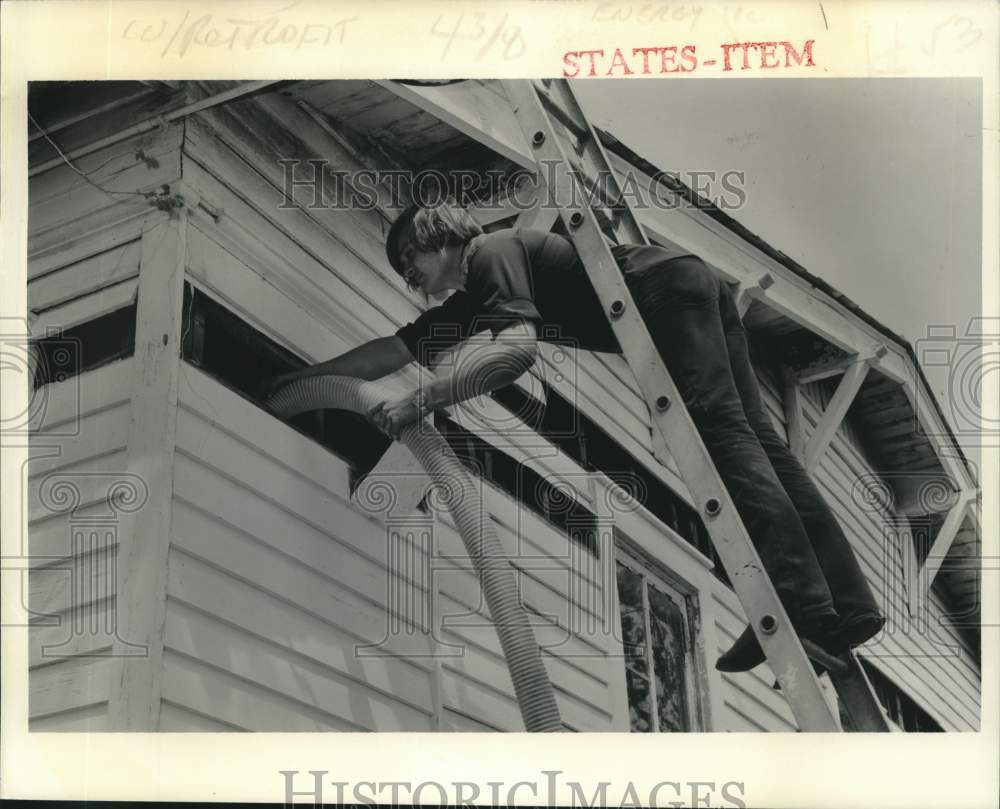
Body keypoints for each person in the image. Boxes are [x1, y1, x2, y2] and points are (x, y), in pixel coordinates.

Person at [265, 198, 885, 673]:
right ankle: (845, 603)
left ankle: (802, 604)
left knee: (722, 441)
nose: (411, 279)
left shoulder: (491, 254)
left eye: (411, 263)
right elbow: (390, 350)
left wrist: (419, 400)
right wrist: (305, 378)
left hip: (666, 294)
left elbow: (515, 352)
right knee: (758, 442)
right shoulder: (474, 295)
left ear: (437, 239)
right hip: (688, 288)